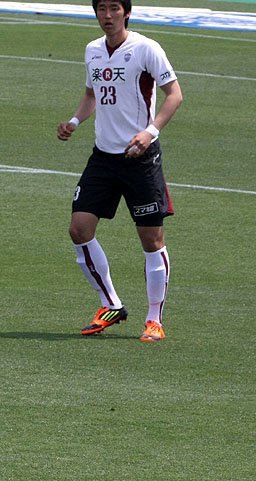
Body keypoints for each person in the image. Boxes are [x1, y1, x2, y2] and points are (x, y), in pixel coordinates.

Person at [57, 0, 183, 342]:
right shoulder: (93, 51)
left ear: (126, 12)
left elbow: (174, 94)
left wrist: (150, 132)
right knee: (79, 229)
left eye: (114, 8)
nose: (108, 15)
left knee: (152, 240)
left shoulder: (146, 49)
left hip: (140, 159)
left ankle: (154, 320)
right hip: (103, 157)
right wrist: (74, 121)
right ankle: (110, 304)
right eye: (102, 9)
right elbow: (92, 94)